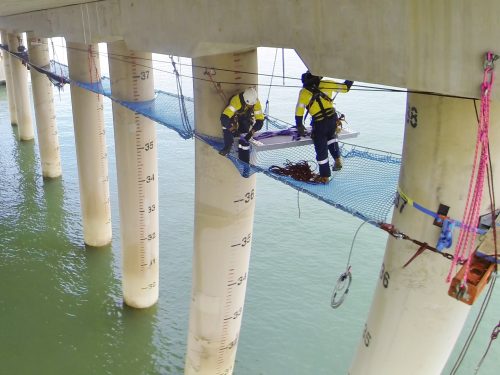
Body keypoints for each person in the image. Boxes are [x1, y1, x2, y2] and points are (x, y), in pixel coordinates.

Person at [295, 71, 353, 184]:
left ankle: (325, 176)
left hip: (320, 123)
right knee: (331, 137)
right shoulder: (326, 83)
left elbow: (299, 111)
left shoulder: (304, 93)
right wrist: (351, 77)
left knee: (321, 148)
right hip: (332, 119)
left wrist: (300, 126)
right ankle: (337, 160)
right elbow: (345, 88)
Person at [219, 87, 264, 164]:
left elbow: (260, 120)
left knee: (244, 130)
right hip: (233, 115)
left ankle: (243, 153)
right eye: (249, 104)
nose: (251, 106)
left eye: (252, 105)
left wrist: (252, 132)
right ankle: (227, 147)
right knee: (227, 127)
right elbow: (224, 118)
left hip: (244, 115)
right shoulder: (236, 101)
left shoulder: (256, 102)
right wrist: (232, 129)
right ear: (245, 100)